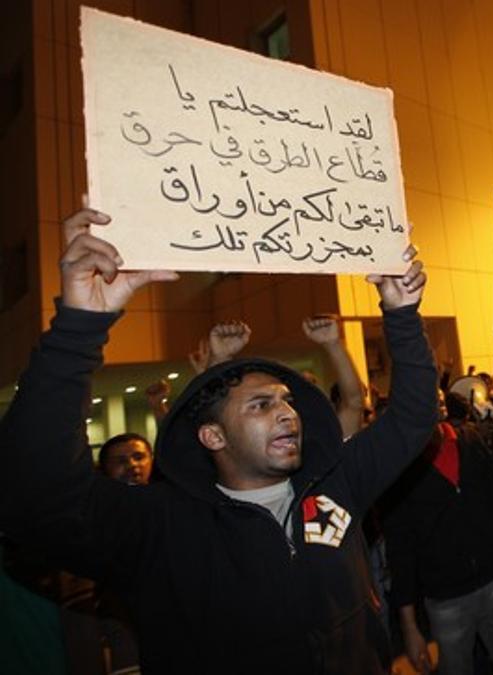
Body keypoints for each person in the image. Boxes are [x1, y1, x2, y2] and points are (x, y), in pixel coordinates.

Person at [0, 207, 438, 674]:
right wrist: (79, 325)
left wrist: (401, 314)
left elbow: (413, 417)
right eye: (260, 405)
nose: (287, 412)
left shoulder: (335, 483)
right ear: (212, 436)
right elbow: (36, 492)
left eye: (287, 401)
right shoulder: (160, 527)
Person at [383, 392, 493, 675]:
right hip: (446, 601)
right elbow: (400, 553)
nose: (437, 400)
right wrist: (410, 628)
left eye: (438, 395)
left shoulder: (469, 441)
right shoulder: (401, 468)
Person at [302, 315, 369, 438]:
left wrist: (332, 344)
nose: (309, 393)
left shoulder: (328, 440)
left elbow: (354, 402)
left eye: (312, 385)